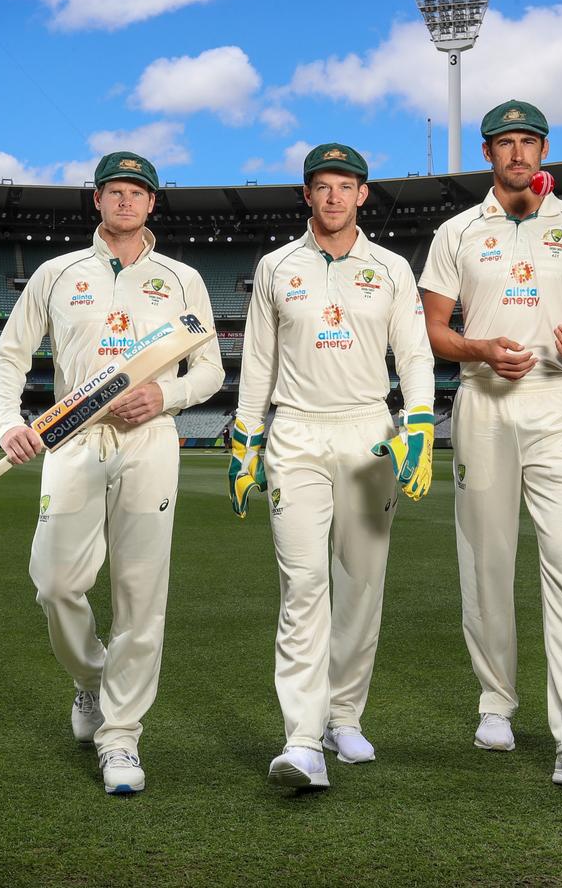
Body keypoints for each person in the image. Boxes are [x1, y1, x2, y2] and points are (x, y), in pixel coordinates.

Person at [0, 151, 224, 794]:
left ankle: (121, 737)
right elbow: (9, 354)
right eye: (114, 191)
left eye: (137, 192)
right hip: (71, 438)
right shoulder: (56, 273)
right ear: (96, 200)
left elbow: (209, 370)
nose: (126, 201)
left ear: (152, 203)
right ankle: (94, 678)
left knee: (140, 595)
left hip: (149, 440)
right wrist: (8, 419)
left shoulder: (182, 279)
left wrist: (166, 396)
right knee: (56, 584)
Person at [419, 100, 562, 788]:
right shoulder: (456, 231)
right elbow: (434, 331)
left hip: (559, 404)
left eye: (528, 141)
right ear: (488, 155)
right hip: (484, 404)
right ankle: (496, 702)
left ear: (544, 151)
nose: (517, 153)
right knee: (487, 561)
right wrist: (476, 347)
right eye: (505, 143)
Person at [229, 142, 435, 789]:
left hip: (368, 434)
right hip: (296, 433)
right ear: (308, 195)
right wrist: (245, 439)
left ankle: (345, 716)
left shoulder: (393, 269)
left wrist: (421, 424)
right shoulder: (275, 267)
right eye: (322, 186)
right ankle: (302, 740)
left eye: (345, 186)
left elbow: (416, 354)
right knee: (304, 586)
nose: (334, 197)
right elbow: (257, 362)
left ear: (363, 194)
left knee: (361, 585)